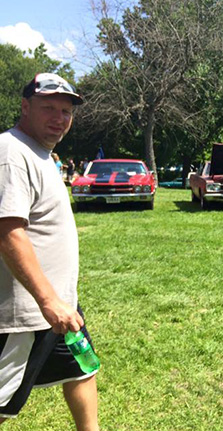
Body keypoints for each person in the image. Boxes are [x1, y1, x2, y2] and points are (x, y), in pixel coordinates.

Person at [0, 73, 100, 430]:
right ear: (25, 107)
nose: (59, 118)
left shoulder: (41, 153)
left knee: (82, 368)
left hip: (60, 307)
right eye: (49, 109)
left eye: (66, 111)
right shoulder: (12, 152)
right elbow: (8, 232)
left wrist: (61, 301)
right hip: (27, 313)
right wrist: (48, 301)